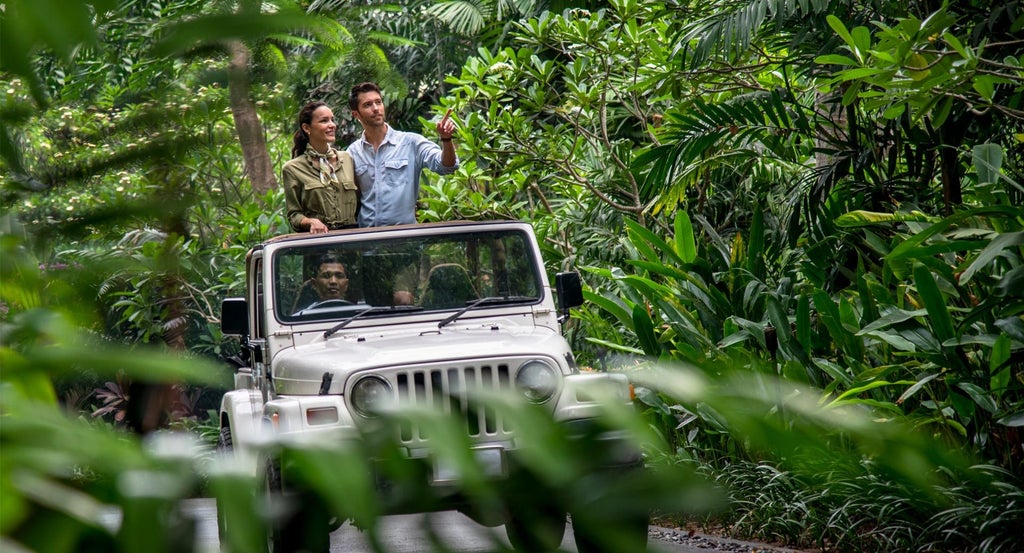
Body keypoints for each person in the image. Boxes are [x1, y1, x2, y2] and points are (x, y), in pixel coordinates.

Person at [347, 82, 459, 227]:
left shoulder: (411, 143)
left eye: (378, 102)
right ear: (356, 114)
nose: (376, 109)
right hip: (368, 241)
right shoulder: (353, 152)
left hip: (405, 239)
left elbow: (446, 166)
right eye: (368, 105)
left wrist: (446, 139)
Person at [283, 101, 359, 233]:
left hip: (350, 240)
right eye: (324, 121)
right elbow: (294, 215)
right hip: (317, 243)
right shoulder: (293, 169)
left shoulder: (347, 159)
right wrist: (310, 221)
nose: (332, 125)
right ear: (307, 128)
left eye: (332, 120)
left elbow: (360, 201)